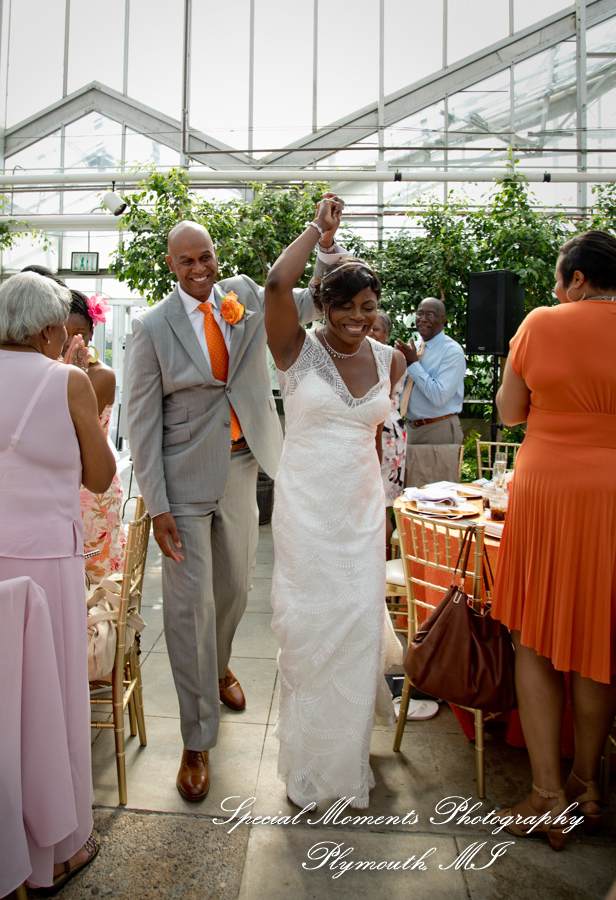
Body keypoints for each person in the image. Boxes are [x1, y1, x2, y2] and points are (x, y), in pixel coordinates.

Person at [126, 201, 345, 802]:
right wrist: (157, 504)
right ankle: (197, 739)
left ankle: (218, 664)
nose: (200, 268)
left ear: (215, 256)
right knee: (187, 608)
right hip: (183, 481)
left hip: (246, 465)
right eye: (187, 261)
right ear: (171, 265)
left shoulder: (246, 292)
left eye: (207, 257)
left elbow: (311, 301)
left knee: (236, 590)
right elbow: (140, 423)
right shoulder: (151, 328)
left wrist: (323, 239)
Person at [0, 272, 116, 890]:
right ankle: (55, 851)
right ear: (47, 331)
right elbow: (100, 475)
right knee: (44, 696)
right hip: (34, 564)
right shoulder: (65, 380)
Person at [264, 197, 406, 809]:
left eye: (367, 307)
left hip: (359, 513)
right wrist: (319, 234)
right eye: (344, 306)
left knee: (355, 629)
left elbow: (382, 438)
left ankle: (345, 762)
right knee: (309, 629)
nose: (357, 317)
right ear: (321, 305)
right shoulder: (295, 349)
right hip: (306, 512)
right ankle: (308, 762)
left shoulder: (392, 360)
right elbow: (275, 282)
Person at [492, 230, 616, 849]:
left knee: (535, 637)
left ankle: (547, 795)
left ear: (578, 280)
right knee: (596, 638)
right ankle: (589, 788)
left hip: (549, 489)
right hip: (612, 496)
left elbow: (510, 411)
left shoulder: (543, 322)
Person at [64, 289, 126, 583]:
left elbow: (67, 428)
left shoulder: (102, 376)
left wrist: (68, 373)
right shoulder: (45, 372)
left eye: (79, 332)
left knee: (96, 582)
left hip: (92, 492)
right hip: (57, 489)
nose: (73, 341)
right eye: (63, 333)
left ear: (91, 333)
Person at [394, 297, 465, 487]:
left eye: (431, 315)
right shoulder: (414, 347)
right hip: (410, 429)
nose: (423, 319)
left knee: (436, 496)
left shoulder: (452, 352)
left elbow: (439, 396)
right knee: (409, 494)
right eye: (420, 313)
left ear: (443, 320)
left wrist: (413, 364)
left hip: (437, 429)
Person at [372, 311, 407, 551]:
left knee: (381, 504)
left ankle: (381, 572)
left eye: (376, 329)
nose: (370, 333)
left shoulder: (392, 357)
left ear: (387, 334)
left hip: (386, 433)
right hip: (377, 428)